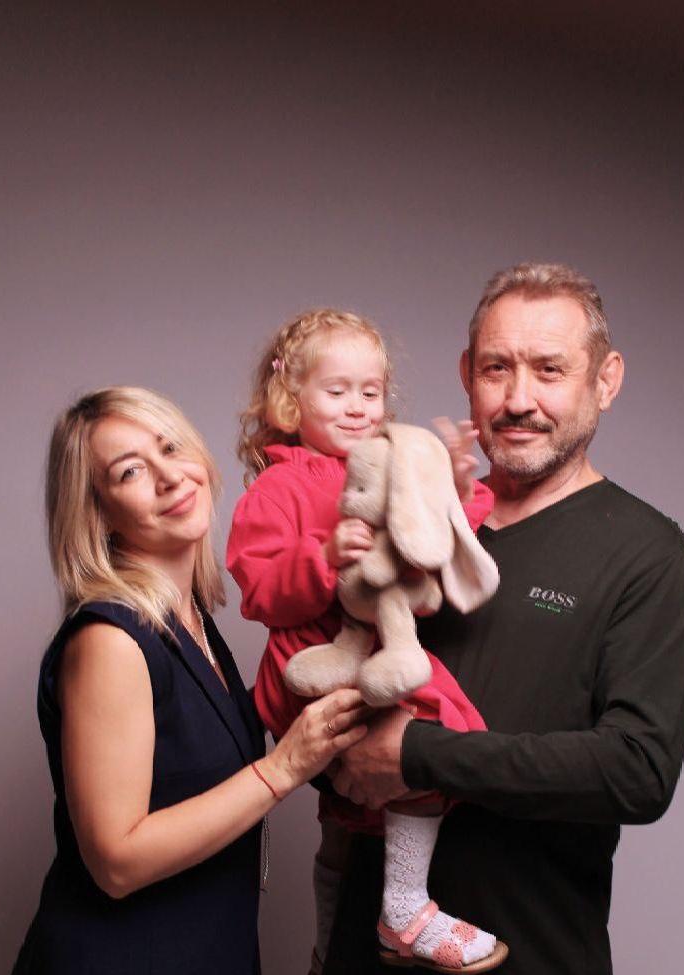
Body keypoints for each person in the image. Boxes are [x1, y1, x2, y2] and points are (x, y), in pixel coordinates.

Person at [323, 263, 684, 975]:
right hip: (364, 952)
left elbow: (638, 769)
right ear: (467, 373)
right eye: (497, 368)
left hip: (533, 954)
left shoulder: (646, 551)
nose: (519, 399)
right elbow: (331, 678)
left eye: (549, 370)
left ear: (605, 380)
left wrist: (418, 754)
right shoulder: (414, 521)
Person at [12, 386, 368, 975]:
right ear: (98, 513)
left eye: (171, 447)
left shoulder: (189, 619)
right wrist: (284, 767)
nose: (170, 477)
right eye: (130, 471)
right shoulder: (110, 640)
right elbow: (116, 862)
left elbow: (197, 752)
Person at [227, 310, 509, 973]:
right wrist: (322, 556)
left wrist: (455, 483)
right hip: (312, 663)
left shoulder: (388, 460)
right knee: (419, 743)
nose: (357, 407)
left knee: (367, 802)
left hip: (377, 647)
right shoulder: (278, 486)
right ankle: (404, 908)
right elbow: (258, 591)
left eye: (370, 391)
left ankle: (333, 945)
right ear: (290, 400)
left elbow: (430, 534)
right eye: (336, 391)